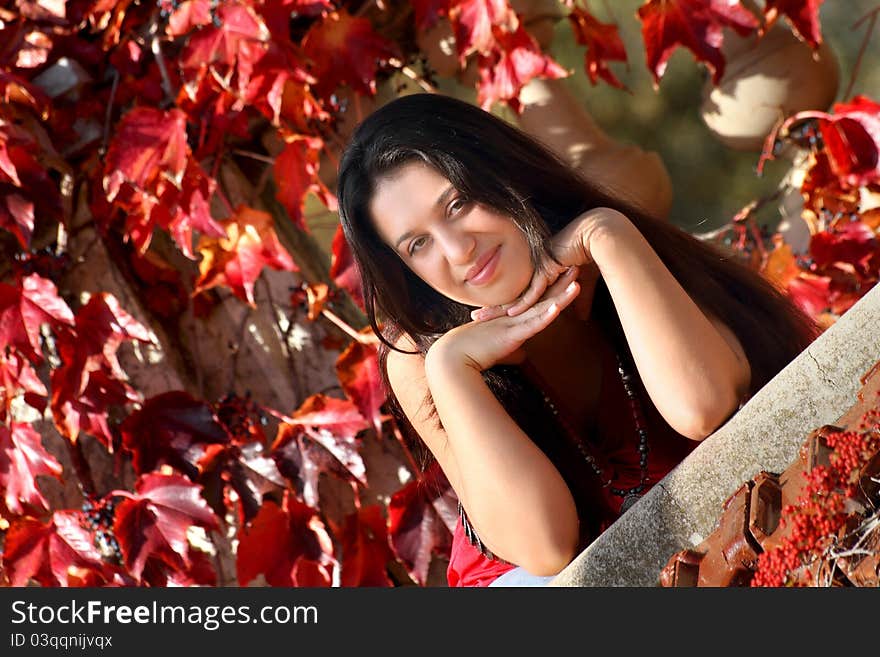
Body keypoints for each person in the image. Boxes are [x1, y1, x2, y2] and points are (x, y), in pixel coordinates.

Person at [335, 92, 820, 587]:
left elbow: (703, 407)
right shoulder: (421, 358)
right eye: (419, 245)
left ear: (501, 172)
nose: (458, 251)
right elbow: (547, 550)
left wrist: (606, 235)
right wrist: (451, 368)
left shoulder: (609, 248)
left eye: (459, 203)